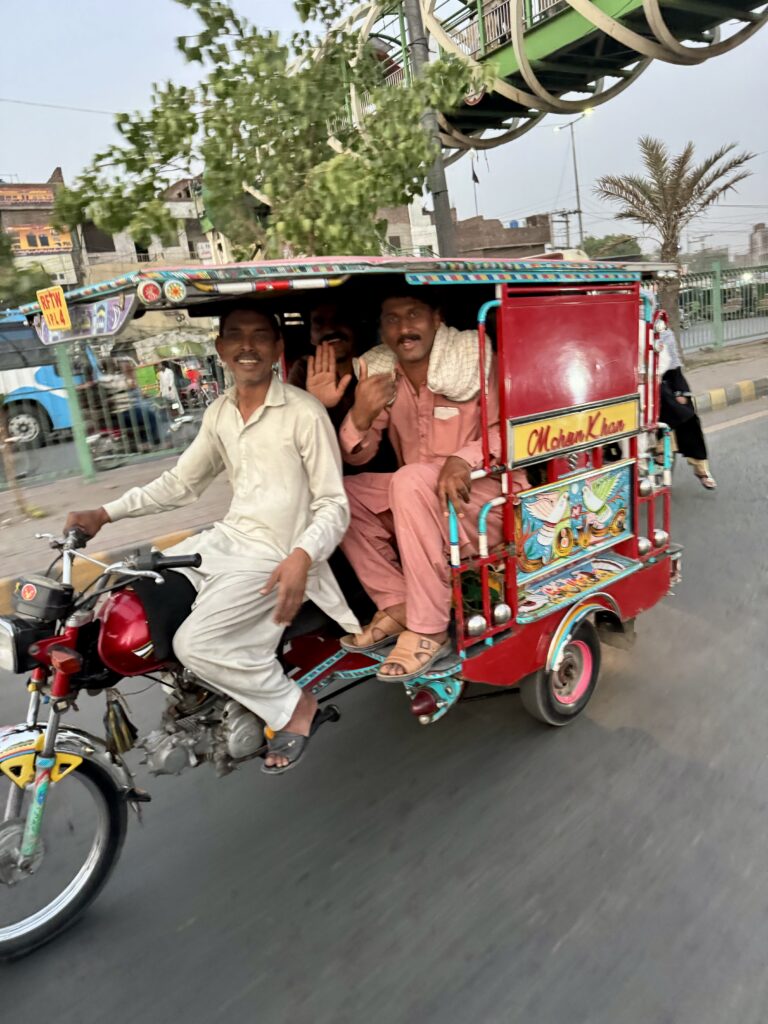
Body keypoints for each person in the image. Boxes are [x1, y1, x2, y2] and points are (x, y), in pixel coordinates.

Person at [64, 304, 359, 774]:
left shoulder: (303, 413)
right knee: (133, 588)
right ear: (220, 348)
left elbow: (333, 504)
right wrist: (105, 512)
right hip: (226, 542)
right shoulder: (221, 411)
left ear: (278, 348)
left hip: (280, 554)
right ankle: (203, 694)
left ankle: (292, 706)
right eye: (236, 336)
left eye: (260, 336)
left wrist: (303, 556)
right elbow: (182, 483)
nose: (247, 346)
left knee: (195, 644)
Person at [337, 290, 528, 681]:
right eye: (392, 318)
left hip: (484, 503)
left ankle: (429, 628)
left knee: (409, 480)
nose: (404, 328)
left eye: (413, 315)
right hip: (420, 503)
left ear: (436, 318)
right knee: (340, 495)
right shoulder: (382, 375)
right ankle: (399, 605)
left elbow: (513, 432)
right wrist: (359, 415)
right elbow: (360, 454)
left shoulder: (476, 360)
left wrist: (464, 458)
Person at [288, 300, 397, 475]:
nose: (330, 329)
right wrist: (319, 405)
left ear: (354, 326)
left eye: (340, 319)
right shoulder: (304, 370)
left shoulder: (380, 364)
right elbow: (294, 441)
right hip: (325, 478)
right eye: (319, 323)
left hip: (381, 479)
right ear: (311, 336)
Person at [654, 310, 716, 489]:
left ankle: (700, 467)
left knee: (686, 415)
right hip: (636, 388)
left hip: (663, 384)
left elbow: (674, 369)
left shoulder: (664, 334)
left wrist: (681, 392)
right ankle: (660, 451)